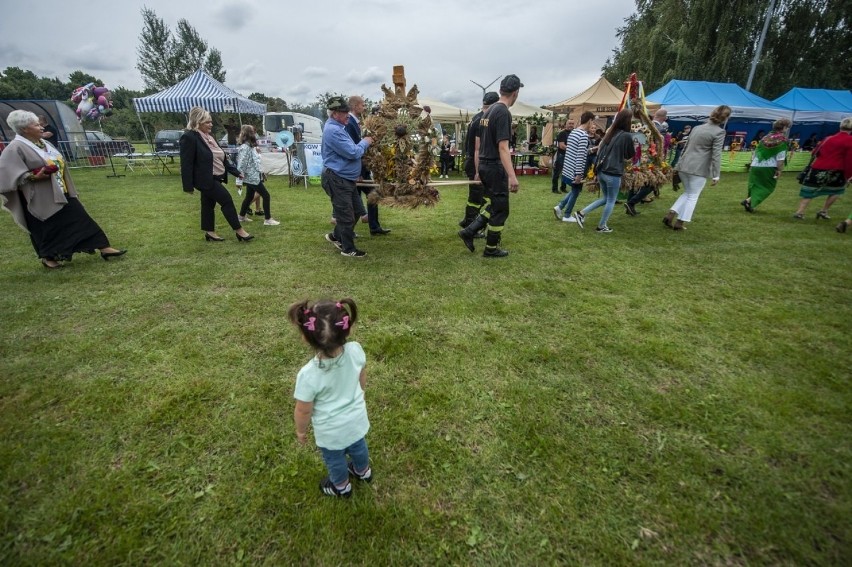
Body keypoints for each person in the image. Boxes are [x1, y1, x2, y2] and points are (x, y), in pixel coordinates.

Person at [0, 110, 126, 269]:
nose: (41, 127)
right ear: (24, 129)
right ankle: (48, 258)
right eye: (36, 125)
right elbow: (7, 174)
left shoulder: (45, 143)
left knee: (80, 218)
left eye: (40, 124)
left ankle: (103, 247)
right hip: (39, 197)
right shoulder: (15, 148)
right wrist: (32, 176)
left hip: (62, 190)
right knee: (45, 228)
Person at [289, 298, 371, 499]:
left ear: (306, 339)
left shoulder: (308, 375)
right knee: (359, 446)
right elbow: (361, 375)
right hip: (357, 419)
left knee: (335, 459)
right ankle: (363, 471)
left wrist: (301, 430)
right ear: (348, 330)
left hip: (331, 431)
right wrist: (361, 390)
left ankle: (341, 486)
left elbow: (303, 410)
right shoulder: (356, 350)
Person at [458, 74, 523, 257]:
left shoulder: (489, 111)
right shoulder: (503, 112)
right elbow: (503, 147)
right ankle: (491, 248)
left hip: (485, 165)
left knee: (495, 204)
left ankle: (469, 231)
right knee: (501, 208)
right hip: (494, 166)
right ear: (515, 93)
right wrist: (512, 176)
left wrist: (479, 169)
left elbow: (479, 144)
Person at [179, 106, 253, 242]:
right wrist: (187, 186)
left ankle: (210, 232)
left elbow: (222, 157)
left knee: (208, 204)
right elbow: (186, 163)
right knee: (226, 200)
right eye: (207, 122)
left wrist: (236, 172)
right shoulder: (189, 137)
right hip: (204, 179)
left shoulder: (210, 137)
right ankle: (239, 231)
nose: (211, 124)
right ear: (198, 122)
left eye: (211, 121)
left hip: (216, 176)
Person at [663, 105, 731, 230]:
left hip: (685, 165)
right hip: (698, 169)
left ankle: (670, 214)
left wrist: (678, 165)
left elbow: (685, 147)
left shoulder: (697, 128)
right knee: (693, 196)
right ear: (725, 118)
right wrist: (716, 174)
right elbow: (716, 154)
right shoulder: (719, 132)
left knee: (688, 193)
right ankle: (680, 222)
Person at [322, 96, 373, 257]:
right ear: (335, 114)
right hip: (338, 179)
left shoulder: (337, 127)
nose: (348, 115)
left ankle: (335, 236)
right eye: (345, 113)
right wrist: (365, 142)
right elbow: (353, 152)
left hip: (345, 178)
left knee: (358, 210)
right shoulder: (334, 131)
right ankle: (348, 249)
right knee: (346, 215)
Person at [571, 108, 635, 233]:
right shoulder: (626, 135)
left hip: (602, 171)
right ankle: (601, 226)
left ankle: (581, 213)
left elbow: (600, 153)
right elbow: (629, 155)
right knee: (611, 200)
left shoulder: (610, 133)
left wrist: (595, 172)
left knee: (606, 198)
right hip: (613, 172)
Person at [792, 117, 852, 220]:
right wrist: (848, 175)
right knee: (836, 191)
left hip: (817, 167)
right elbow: (849, 160)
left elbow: (815, 152)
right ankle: (823, 210)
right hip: (836, 170)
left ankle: (800, 211)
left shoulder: (828, 138)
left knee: (810, 190)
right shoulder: (850, 141)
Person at [345, 95, 388, 236]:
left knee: (372, 196)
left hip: (362, 169)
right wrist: (357, 172)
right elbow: (352, 149)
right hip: (357, 171)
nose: (364, 107)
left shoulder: (356, 122)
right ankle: (346, 232)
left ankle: (374, 227)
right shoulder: (350, 123)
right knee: (355, 203)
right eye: (363, 105)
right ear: (355, 106)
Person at [460, 92, 499, 230]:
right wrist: (478, 171)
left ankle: (468, 220)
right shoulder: (483, 120)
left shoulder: (476, 117)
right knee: (478, 197)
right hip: (477, 162)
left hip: (472, 161)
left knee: (478, 196)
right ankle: (471, 226)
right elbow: (478, 148)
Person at [741, 118, 791, 212]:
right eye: (787, 127)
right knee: (768, 187)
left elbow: (756, 152)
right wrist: (779, 170)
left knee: (754, 185)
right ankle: (748, 201)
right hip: (769, 166)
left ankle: (750, 205)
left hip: (756, 164)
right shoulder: (782, 140)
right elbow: (780, 158)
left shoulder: (765, 138)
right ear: (784, 127)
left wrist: (752, 164)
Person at [553, 111, 595, 222]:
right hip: (575, 170)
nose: (592, 125)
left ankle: (560, 206)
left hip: (568, 167)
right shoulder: (583, 135)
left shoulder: (574, 132)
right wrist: (578, 174)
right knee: (576, 192)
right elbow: (580, 157)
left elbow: (574, 151)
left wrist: (591, 149)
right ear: (590, 120)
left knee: (574, 191)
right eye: (592, 122)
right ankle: (567, 215)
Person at [236, 125, 280, 226]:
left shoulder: (250, 147)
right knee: (266, 195)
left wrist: (261, 172)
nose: (255, 134)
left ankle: (241, 216)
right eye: (253, 132)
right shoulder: (245, 148)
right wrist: (239, 179)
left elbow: (255, 162)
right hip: (251, 177)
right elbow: (241, 164)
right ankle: (268, 219)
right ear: (249, 134)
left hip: (253, 175)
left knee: (249, 196)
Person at [551, 118, 575, 193]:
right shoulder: (562, 133)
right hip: (561, 155)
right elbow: (562, 145)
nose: (571, 125)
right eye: (569, 123)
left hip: (569, 156)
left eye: (572, 124)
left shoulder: (573, 133)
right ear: (566, 124)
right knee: (557, 172)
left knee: (566, 172)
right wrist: (572, 149)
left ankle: (563, 187)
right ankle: (554, 189)